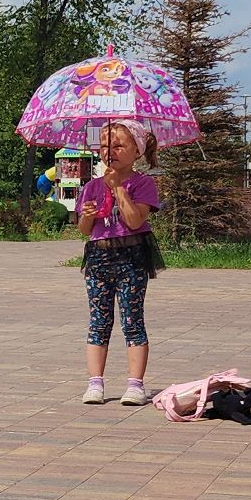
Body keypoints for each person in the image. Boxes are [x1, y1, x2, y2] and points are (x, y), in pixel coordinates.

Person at [75, 120, 163, 406]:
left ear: (137, 151)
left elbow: (135, 220)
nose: (109, 151)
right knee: (98, 321)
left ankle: (135, 384)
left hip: (131, 257)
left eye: (117, 145)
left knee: (132, 320)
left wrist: (118, 189)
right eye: (104, 146)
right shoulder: (91, 187)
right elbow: (85, 230)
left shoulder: (143, 184)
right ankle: (95, 382)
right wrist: (87, 216)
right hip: (99, 256)